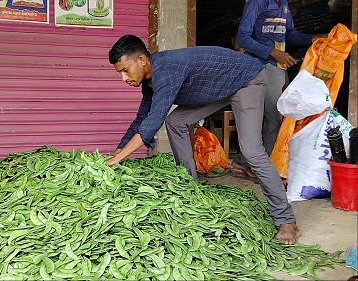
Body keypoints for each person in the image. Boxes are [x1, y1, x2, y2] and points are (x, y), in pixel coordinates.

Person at [106, 34, 300, 244]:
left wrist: (120, 158)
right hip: (219, 86)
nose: (123, 78)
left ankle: (286, 220)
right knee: (176, 122)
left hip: (247, 80)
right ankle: (190, 187)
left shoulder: (166, 70)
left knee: (252, 150)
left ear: (142, 60)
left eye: (125, 70)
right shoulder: (150, 81)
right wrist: (119, 150)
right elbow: (141, 117)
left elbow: (152, 123)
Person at [232, 0, 327, 178]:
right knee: (274, 117)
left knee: (279, 117)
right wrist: (272, 52)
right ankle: (262, 168)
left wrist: (313, 38)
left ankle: (245, 162)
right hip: (261, 66)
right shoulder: (257, 2)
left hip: (279, 68)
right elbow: (242, 38)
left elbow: (290, 34)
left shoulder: (283, 3)